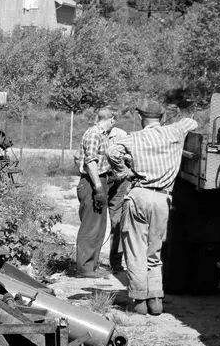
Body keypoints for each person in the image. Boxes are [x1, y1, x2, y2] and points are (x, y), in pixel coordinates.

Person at [106, 100, 198, 316]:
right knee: (154, 251)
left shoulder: (134, 138)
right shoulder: (175, 131)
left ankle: (138, 301)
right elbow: (191, 122)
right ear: (161, 115)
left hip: (139, 194)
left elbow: (111, 152)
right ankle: (156, 299)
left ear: (140, 117)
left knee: (135, 250)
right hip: (163, 198)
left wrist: (125, 172)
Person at [74, 107, 130, 278]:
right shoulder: (94, 134)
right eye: (114, 120)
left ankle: (92, 265)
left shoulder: (103, 135)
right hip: (92, 182)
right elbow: (91, 162)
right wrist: (98, 188)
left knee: (99, 227)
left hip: (101, 180)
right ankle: (84, 269)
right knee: (90, 227)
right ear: (111, 119)